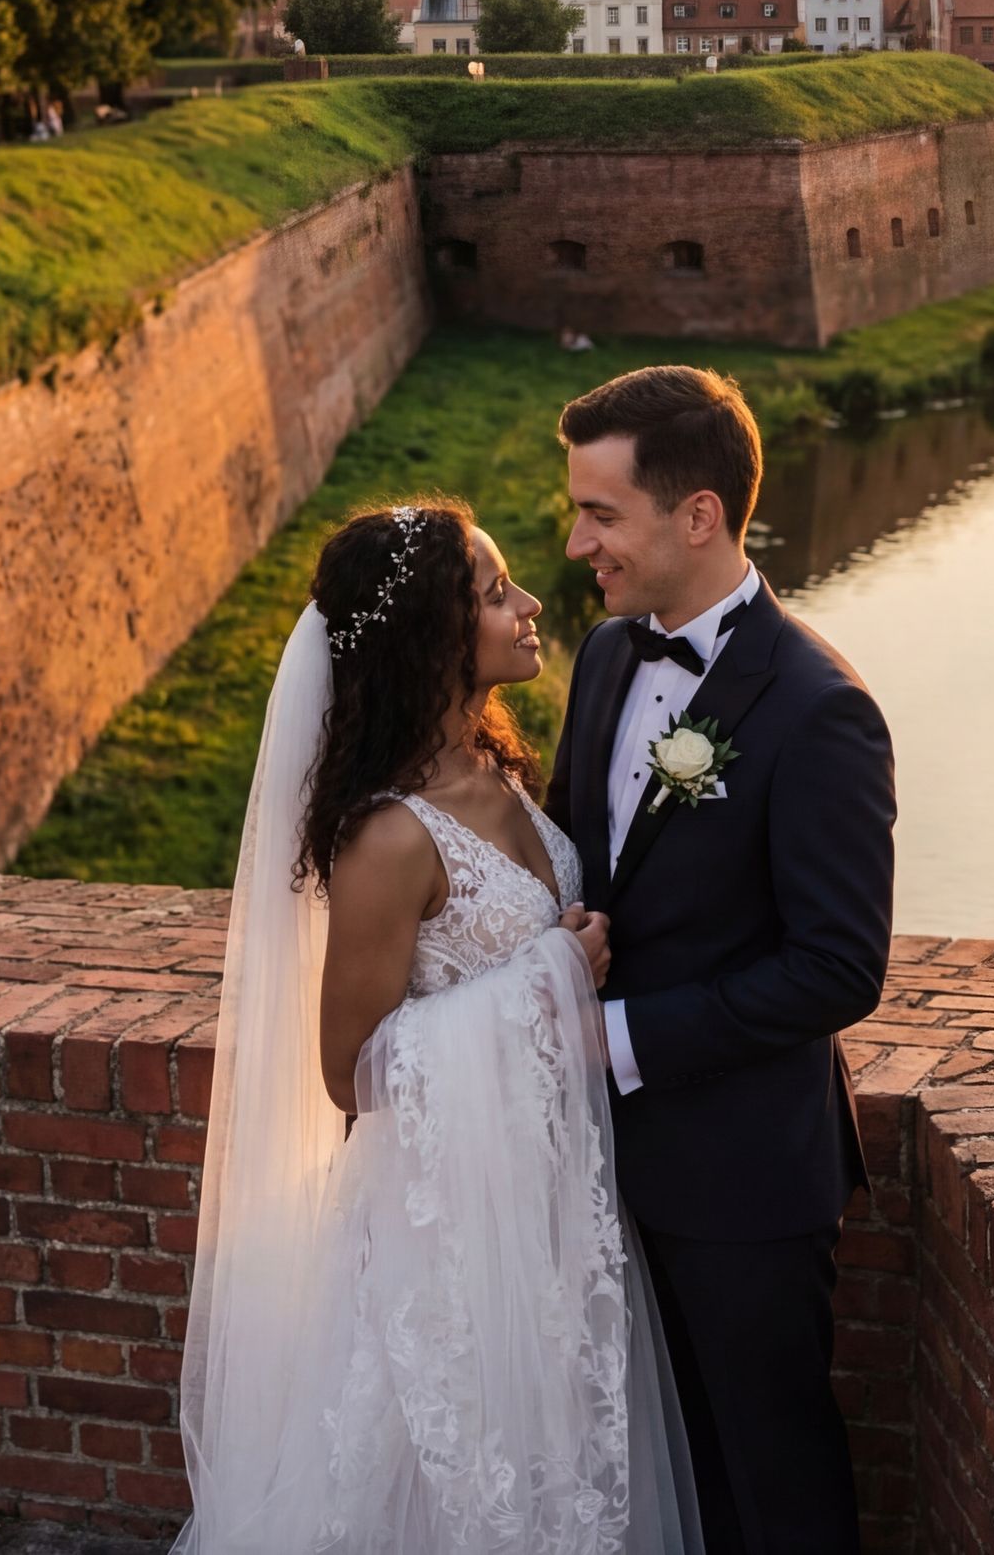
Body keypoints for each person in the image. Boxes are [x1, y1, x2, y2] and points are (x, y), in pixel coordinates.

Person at [176, 499, 703, 1554]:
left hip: (555, 1192)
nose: (524, 605)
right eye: (493, 592)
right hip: (451, 1228)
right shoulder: (388, 836)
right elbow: (350, 1071)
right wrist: (553, 971)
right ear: (430, 633)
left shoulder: (494, 766)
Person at [547, 366, 894, 1555]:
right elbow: (582, 867)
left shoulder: (818, 709)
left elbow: (840, 967)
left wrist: (624, 1039)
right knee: (658, 1465)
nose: (579, 538)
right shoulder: (602, 658)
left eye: (602, 513)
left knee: (769, 1481)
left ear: (698, 515)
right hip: (598, 1166)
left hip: (744, 1179)